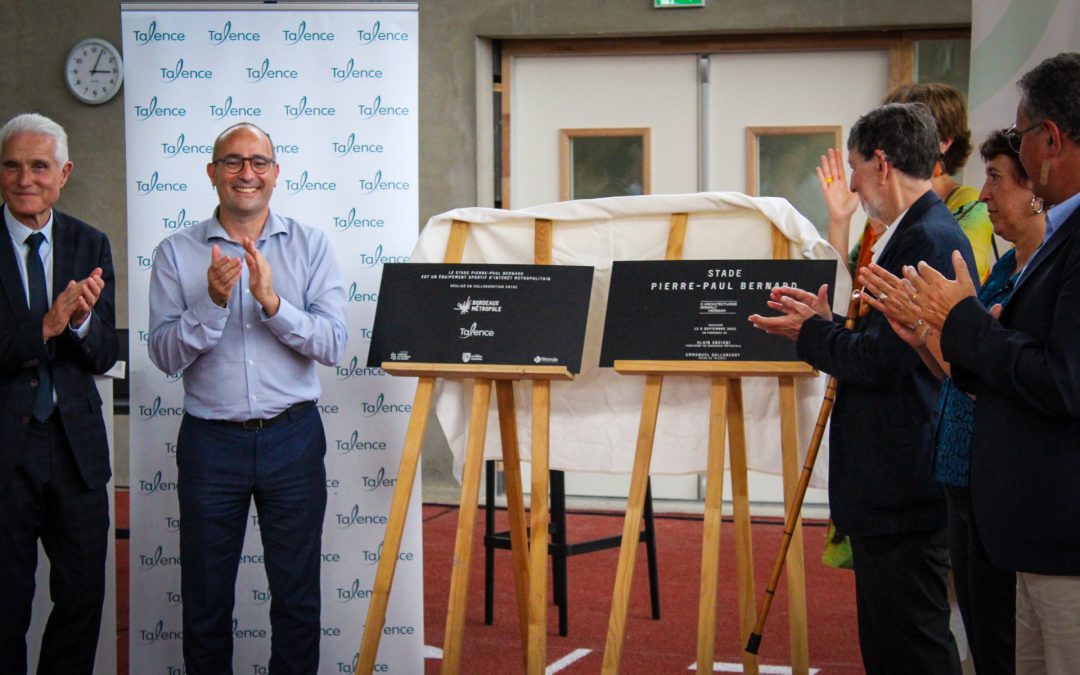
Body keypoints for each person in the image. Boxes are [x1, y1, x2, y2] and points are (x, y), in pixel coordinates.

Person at [749, 102, 977, 674]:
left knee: (913, 645)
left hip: (905, 476)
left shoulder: (925, 236)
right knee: (891, 643)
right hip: (893, 476)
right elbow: (877, 342)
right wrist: (829, 325)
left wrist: (812, 334)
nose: (850, 182)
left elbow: (881, 359)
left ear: (880, 162)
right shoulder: (904, 232)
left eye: (853, 166)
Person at [900, 52, 1080, 674]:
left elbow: (1061, 381)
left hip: (1060, 528)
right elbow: (1000, 371)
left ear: (1049, 140)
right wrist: (937, 327)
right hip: (1025, 519)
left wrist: (962, 322)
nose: (994, 189)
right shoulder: (1038, 251)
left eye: (1019, 150)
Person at [148, 122, 348, 674]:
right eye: (233, 162)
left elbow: (334, 344)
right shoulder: (175, 252)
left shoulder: (311, 246)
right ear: (212, 173)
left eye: (258, 162)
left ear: (276, 174)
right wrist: (211, 303)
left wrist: (272, 302)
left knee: (298, 598)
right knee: (207, 600)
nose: (246, 173)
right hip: (211, 444)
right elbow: (163, 356)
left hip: (293, 437)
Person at [861, 129, 1046, 675]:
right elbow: (963, 375)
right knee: (984, 639)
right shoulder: (1007, 269)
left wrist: (956, 327)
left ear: (1035, 188)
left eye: (994, 178)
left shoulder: (1041, 273)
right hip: (962, 474)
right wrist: (922, 335)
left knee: (1009, 646)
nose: (982, 194)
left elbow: (1027, 378)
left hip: (1007, 483)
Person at [0, 113, 118, 674]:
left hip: (76, 453)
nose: (26, 178)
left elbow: (104, 354)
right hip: (5, 455)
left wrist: (78, 324)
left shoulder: (90, 241)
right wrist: (47, 324)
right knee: (4, 608)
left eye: (39, 166)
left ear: (64, 173)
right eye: (12, 165)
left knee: (80, 600)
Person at [819, 82, 996, 282]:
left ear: (943, 142)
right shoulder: (890, 210)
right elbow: (851, 288)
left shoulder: (956, 216)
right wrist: (840, 221)